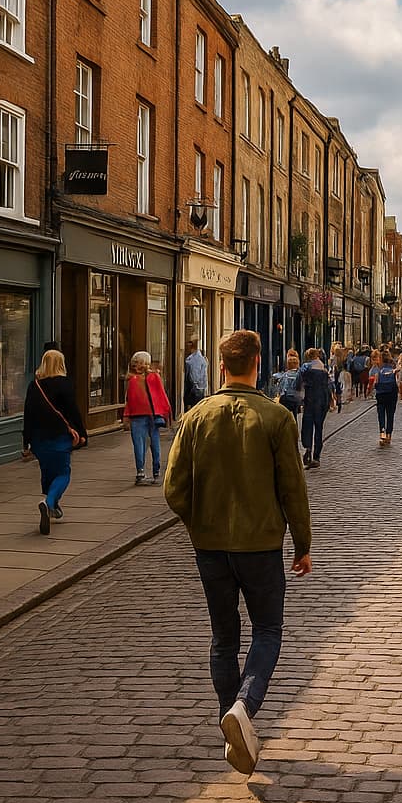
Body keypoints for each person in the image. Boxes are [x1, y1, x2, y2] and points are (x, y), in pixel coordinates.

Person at [164, 329, 312, 777]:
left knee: (223, 638)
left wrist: (200, 525)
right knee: (268, 629)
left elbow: (174, 489)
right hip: (261, 547)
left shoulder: (195, 417)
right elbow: (293, 490)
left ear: (222, 366)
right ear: (258, 364)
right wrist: (302, 544)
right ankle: (244, 708)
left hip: (211, 549)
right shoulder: (277, 418)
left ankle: (231, 717)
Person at [22, 349, 86, 536]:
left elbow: (28, 415)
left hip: (39, 439)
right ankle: (48, 503)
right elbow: (73, 411)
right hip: (59, 436)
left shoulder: (34, 386)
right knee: (63, 473)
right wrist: (82, 433)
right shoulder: (65, 384)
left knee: (48, 472)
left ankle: (54, 506)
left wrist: (26, 442)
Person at [124, 351, 173, 485]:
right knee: (152, 444)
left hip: (141, 416)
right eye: (139, 363)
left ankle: (142, 473)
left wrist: (126, 416)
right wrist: (166, 412)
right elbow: (161, 395)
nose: (140, 365)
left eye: (140, 363)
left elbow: (130, 400)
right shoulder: (151, 377)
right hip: (150, 415)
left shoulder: (133, 380)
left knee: (141, 444)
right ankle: (154, 473)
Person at [298, 348, 336, 468]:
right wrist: (333, 399)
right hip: (322, 400)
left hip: (310, 399)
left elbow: (298, 383)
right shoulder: (324, 369)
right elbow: (330, 384)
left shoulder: (305, 368)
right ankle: (317, 456)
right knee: (319, 427)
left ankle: (308, 449)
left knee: (307, 425)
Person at [371, 351, 400, 446]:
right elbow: (398, 381)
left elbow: (375, 382)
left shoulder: (378, 369)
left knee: (381, 413)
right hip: (392, 394)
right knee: (390, 414)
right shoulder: (393, 369)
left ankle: (382, 432)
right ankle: (389, 435)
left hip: (381, 394)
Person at [269, 350, 303, 423]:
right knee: (294, 415)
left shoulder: (285, 375)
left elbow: (281, 388)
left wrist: (278, 394)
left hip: (287, 398)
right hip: (296, 399)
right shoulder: (299, 374)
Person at [185, 339, 209, 409]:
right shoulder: (201, 358)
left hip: (196, 388)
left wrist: (194, 386)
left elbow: (194, 376)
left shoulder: (194, 359)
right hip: (200, 387)